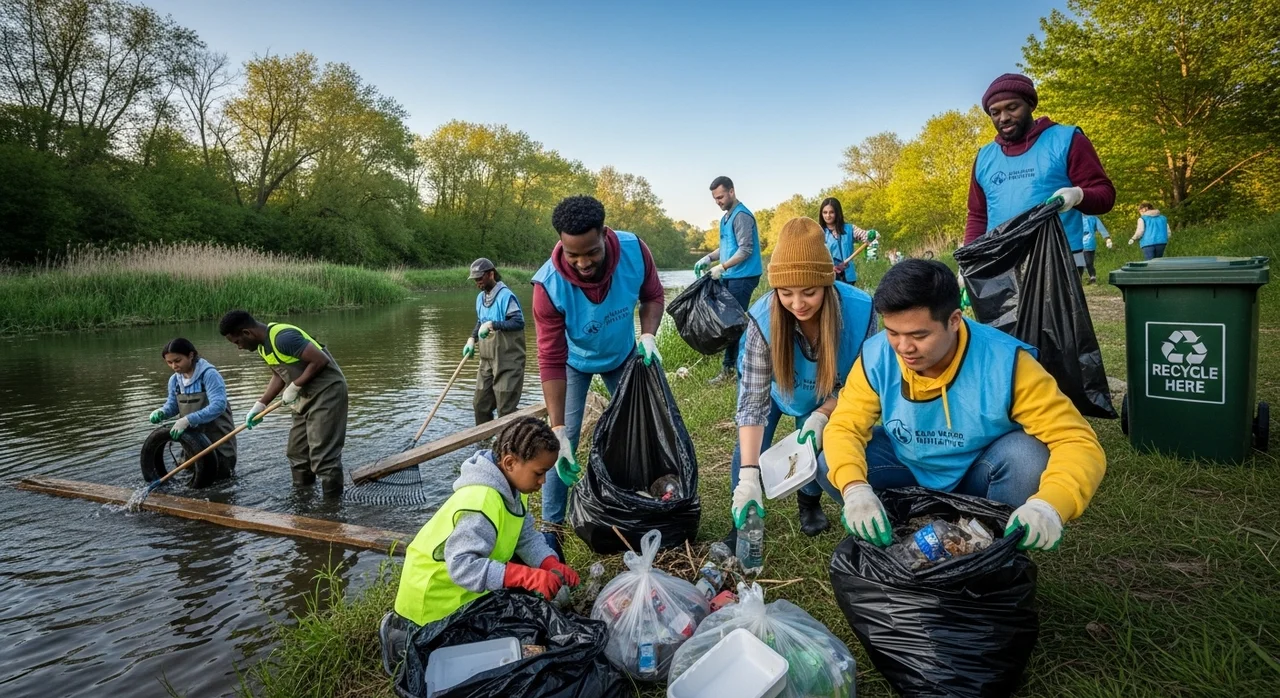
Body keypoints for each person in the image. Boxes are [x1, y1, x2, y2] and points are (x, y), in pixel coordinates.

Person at [824, 259, 1106, 551]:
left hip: (979, 475)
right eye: (893, 332)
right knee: (828, 462)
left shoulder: (1007, 363)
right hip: (907, 467)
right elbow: (845, 426)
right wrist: (855, 488)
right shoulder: (877, 355)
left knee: (1028, 457)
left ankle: (986, 536)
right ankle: (900, 530)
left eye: (919, 335)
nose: (904, 348)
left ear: (954, 320)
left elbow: (1076, 440)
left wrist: (1050, 505)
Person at [381, 417, 580, 671]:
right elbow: (463, 567)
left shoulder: (511, 490)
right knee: (494, 656)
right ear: (510, 463)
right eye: (539, 473)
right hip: (432, 603)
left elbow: (525, 535)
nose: (542, 482)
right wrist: (526, 576)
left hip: (465, 593)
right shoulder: (482, 502)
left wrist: (549, 562)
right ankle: (401, 637)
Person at [728, 217, 877, 545]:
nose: (797, 304)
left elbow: (863, 383)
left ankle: (809, 504)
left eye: (809, 292)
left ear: (827, 284)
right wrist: (750, 476)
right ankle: (742, 517)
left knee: (810, 446)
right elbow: (752, 402)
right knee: (747, 454)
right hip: (774, 390)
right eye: (785, 293)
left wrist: (822, 415)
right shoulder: (761, 320)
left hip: (826, 392)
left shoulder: (861, 311)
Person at [531, 195, 665, 533]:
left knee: (645, 427)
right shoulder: (548, 286)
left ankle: (648, 502)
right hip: (574, 364)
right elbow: (550, 358)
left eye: (591, 251)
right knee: (563, 444)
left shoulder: (635, 251)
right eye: (573, 254)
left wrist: (648, 335)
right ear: (560, 243)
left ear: (604, 233)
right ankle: (552, 527)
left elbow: (652, 295)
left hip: (623, 356)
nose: (583, 262)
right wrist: (558, 428)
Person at [966, 73, 1116, 271]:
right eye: (995, 112)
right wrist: (969, 259)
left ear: (1030, 104)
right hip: (1000, 263)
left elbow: (1105, 195)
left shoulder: (1067, 140)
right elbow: (977, 215)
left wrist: (1079, 195)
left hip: (1058, 261)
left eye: (1012, 108)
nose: (1004, 118)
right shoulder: (985, 157)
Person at [219, 310, 349, 498]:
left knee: (323, 458)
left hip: (327, 393)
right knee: (297, 454)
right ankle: (302, 501)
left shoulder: (283, 338)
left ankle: (332, 510)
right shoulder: (263, 347)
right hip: (303, 397)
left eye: (237, 342)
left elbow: (321, 360)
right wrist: (261, 404)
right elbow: (279, 375)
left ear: (247, 333)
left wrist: (295, 385)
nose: (239, 347)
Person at [695, 176, 763, 386]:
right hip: (731, 275)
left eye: (721, 197)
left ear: (732, 192)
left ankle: (732, 370)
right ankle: (735, 366)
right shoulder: (726, 218)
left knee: (732, 324)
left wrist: (723, 267)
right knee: (729, 323)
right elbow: (726, 248)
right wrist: (709, 258)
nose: (718, 202)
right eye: (715, 198)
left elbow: (745, 249)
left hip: (743, 276)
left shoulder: (741, 216)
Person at [148, 338, 236, 472]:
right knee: (191, 472)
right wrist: (162, 412)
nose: (174, 366)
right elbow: (173, 405)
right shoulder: (175, 380)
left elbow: (218, 405)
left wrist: (188, 419)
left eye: (177, 361)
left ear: (191, 355)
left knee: (221, 475)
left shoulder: (209, 374)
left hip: (217, 435)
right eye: (169, 362)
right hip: (192, 438)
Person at [464, 258, 526, 425]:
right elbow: (480, 321)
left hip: (508, 360)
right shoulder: (480, 298)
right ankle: (483, 445)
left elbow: (518, 322)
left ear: (491, 274)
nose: (477, 283)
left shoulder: (506, 296)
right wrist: (472, 339)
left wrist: (493, 324)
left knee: (506, 409)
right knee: (480, 405)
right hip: (487, 361)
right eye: (475, 280)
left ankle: (507, 446)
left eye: (480, 278)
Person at [818, 197, 876, 284]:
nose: (828, 216)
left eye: (831, 212)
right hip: (828, 278)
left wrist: (873, 235)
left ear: (837, 213)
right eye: (825, 212)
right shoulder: (818, 232)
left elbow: (867, 236)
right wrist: (829, 268)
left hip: (848, 277)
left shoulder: (849, 229)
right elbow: (815, 256)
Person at [1080, 214, 1112, 284]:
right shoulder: (1075, 217)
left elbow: (1101, 227)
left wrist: (1107, 238)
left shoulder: (1093, 218)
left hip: (1089, 243)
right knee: (1079, 263)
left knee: (1089, 262)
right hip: (1077, 243)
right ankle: (1078, 279)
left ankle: (1092, 277)